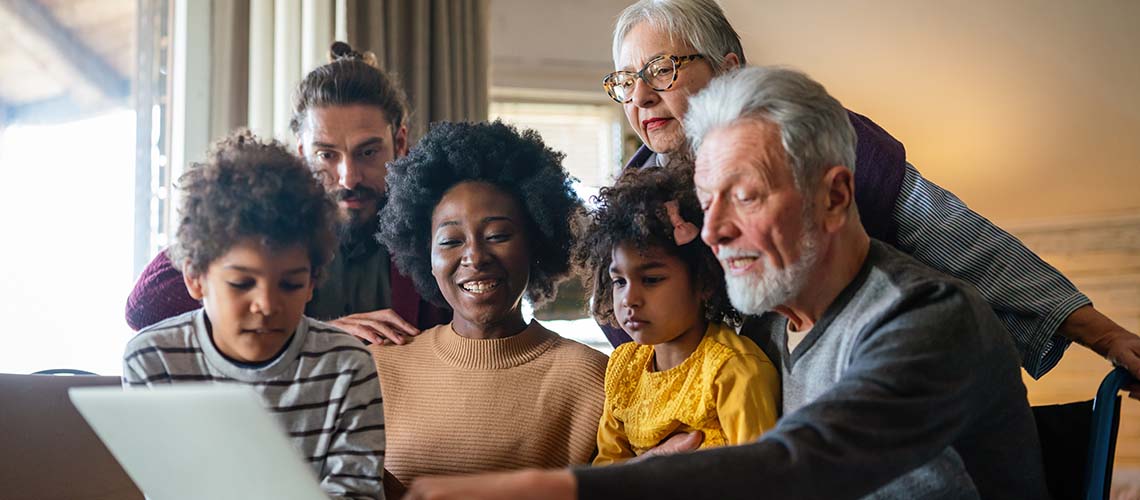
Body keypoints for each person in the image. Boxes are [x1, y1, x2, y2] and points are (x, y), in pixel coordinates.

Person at [402, 66, 1050, 500]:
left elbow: (797, 465)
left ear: (835, 196)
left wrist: (545, 488)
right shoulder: (773, 320)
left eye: (744, 197)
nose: (715, 232)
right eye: (707, 203)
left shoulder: (927, 320)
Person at [600, 0, 1140, 386]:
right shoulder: (634, 196)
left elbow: (962, 241)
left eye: (662, 69)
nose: (641, 95)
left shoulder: (811, 139)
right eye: (625, 81)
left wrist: (1108, 337)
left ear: (729, 70)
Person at [125, 41, 449, 345]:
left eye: (367, 153)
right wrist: (309, 336)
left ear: (401, 143)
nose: (348, 177)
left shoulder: (436, 231)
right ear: (301, 154)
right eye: (326, 155)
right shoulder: (271, 219)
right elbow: (147, 308)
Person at [122, 132, 385, 500]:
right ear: (195, 279)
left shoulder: (348, 366)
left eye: (291, 285)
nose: (266, 304)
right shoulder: (153, 360)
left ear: (312, 284)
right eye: (242, 283)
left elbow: (357, 494)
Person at [369, 121, 609, 485]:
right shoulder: (378, 369)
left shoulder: (592, 377)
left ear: (535, 243)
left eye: (497, 235)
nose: (475, 256)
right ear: (425, 256)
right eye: (451, 241)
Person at [572, 166, 778, 465]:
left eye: (652, 280)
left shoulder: (732, 371)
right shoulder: (624, 367)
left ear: (705, 282)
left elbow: (761, 479)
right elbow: (607, 472)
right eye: (619, 281)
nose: (629, 298)